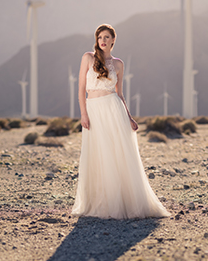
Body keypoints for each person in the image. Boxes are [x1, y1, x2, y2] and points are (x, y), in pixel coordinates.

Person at [71, 24, 169, 219]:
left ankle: (122, 204)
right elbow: (81, 88)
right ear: (97, 39)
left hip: (114, 110)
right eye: (100, 37)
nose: (103, 40)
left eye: (107, 37)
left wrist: (130, 117)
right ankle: (101, 203)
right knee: (97, 155)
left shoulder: (118, 64)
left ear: (113, 40)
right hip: (93, 110)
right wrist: (83, 114)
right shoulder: (87, 58)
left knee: (116, 155)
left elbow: (120, 94)